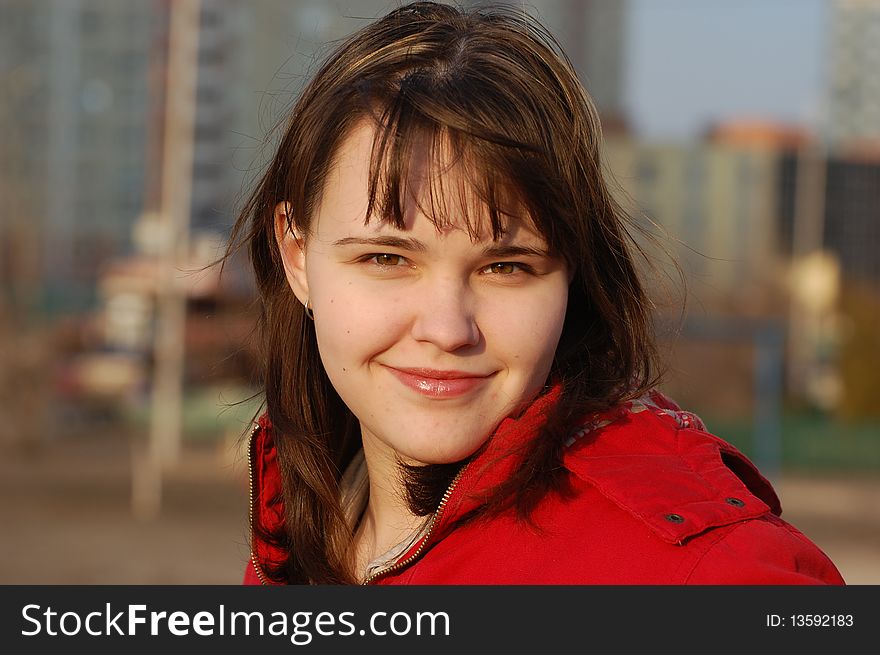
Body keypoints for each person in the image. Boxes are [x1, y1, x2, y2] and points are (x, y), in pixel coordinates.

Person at [227, 1, 845, 585]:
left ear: (573, 271)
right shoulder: (295, 540)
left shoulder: (708, 575)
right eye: (386, 258)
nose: (447, 328)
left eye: (506, 267)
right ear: (296, 252)